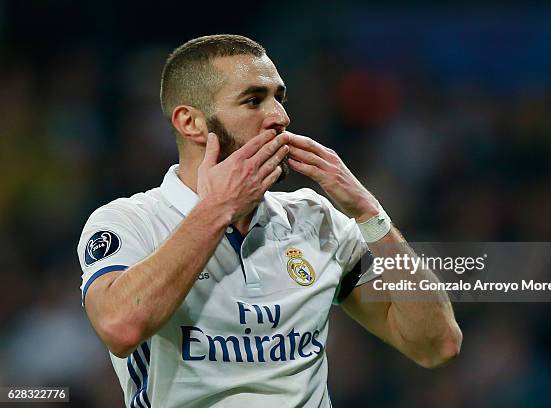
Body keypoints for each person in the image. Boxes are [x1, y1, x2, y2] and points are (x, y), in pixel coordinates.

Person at [77, 34, 462, 408]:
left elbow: (436, 345)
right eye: (253, 101)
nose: (280, 117)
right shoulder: (130, 222)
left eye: (279, 98)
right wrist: (218, 209)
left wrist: (369, 214)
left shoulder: (316, 220)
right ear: (190, 123)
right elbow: (120, 327)